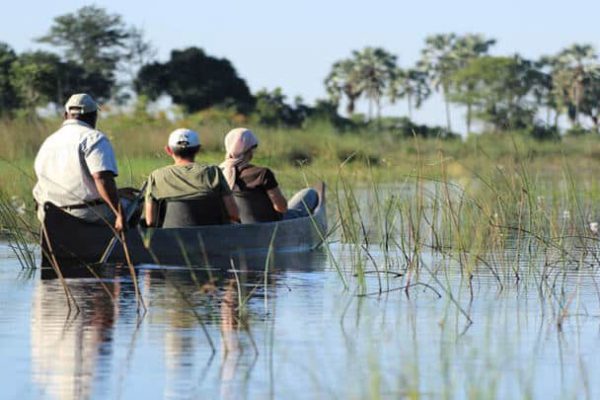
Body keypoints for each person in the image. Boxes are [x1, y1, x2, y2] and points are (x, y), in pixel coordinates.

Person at [33, 93, 124, 231]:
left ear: (65, 115)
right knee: (134, 205)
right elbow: (101, 178)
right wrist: (120, 214)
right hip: (86, 214)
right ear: (94, 116)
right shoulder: (94, 138)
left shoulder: (49, 142)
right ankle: (127, 247)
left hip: (50, 215)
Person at [219, 127, 318, 223]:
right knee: (310, 193)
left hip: (238, 227)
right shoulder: (261, 173)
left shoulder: (220, 173)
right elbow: (281, 208)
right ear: (249, 151)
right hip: (271, 226)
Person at [144, 128, 239, 227]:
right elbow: (233, 213)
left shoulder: (157, 175)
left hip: (171, 239)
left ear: (168, 150)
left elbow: (150, 221)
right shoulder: (213, 172)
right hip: (211, 238)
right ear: (198, 149)